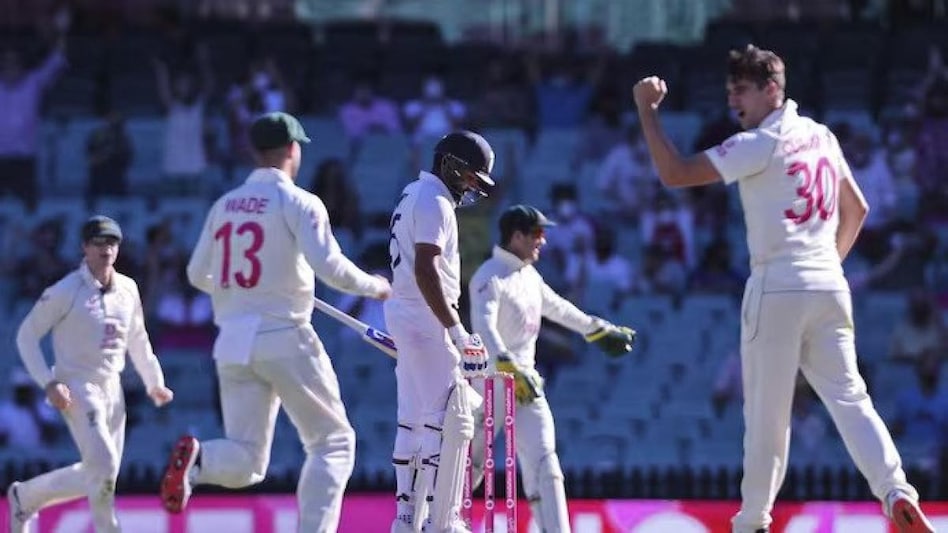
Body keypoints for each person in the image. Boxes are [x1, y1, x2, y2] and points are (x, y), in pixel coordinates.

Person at [632, 44, 934, 533]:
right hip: (829, 283)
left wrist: (646, 111)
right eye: (730, 92)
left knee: (767, 418)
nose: (735, 102)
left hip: (778, 284)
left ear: (773, 89)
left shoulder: (758, 143)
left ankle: (752, 522)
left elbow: (674, 173)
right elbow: (857, 210)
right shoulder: (821, 135)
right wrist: (822, 267)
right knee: (851, 399)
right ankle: (896, 489)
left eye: (743, 91)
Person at [159, 112, 391, 532]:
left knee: (246, 460)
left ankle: (201, 459)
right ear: (292, 150)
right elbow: (332, 269)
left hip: (232, 341)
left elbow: (197, 275)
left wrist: (244, 292)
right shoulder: (299, 201)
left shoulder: (224, 204)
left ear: (253, 151)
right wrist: (376, 287)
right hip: (284, 334)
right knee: (333, 443)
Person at [467, 205, 635, 532]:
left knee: (545, 462)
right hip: (492, 384)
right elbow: (483, 328)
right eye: (536, 234)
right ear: (516, 236)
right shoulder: (489, 276)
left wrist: (597, 329)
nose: (542, 241)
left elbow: (557, 307)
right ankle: (440, 523)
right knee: (471, 464)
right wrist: (508, 364)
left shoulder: (529, 275)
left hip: (526, 383)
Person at [8, 215, 175, 533]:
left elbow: (138, 340)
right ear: (84, 247)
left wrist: (155, 382)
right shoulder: (65, 291)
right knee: (105, 464)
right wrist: (49, 382)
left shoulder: (128, 289)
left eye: (111, 242)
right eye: (98, 242)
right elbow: (26, 336)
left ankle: (26, 496)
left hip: (113, 388)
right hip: (76, 385)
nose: (106, 249)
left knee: (103, 475)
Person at [385, 130, 494, 533]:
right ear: (449, 164)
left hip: (404, 313)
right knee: (451, 417)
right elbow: (426, 268)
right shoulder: (435, 200)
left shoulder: (412, 193)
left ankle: (406, 518)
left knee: (411, 418)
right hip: (427, 317)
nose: (470, 187)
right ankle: (440, 520)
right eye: (469, 177)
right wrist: (456, 330)